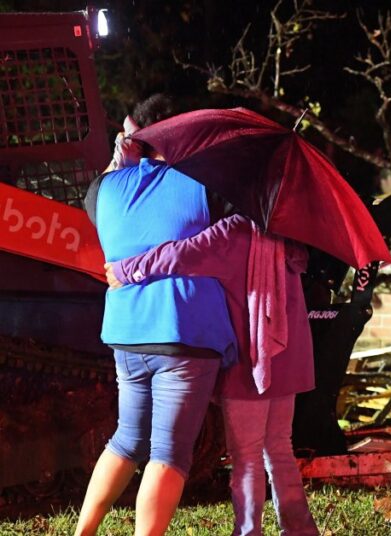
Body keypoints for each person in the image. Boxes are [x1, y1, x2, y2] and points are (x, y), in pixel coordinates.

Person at [75, 94, 237, 536]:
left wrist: (123, 154)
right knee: (169, 453)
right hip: (183, 331)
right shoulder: (204, 184)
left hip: (126, 333)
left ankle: (83, 532)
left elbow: (102, 196)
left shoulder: (102, 190)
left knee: (127, 439)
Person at [106, 213, 319, 536]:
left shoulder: (233, 232)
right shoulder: (287, 235)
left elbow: (179, 255)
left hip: (252, 358)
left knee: (246, 456)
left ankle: (248, 532)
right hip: (287, 358)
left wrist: (125, 269)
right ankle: (300, 530)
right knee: (279, 447)